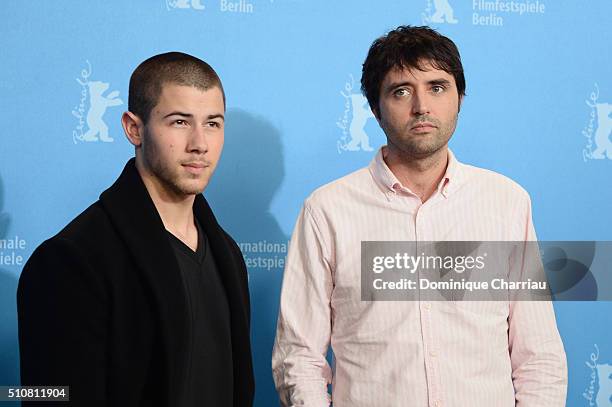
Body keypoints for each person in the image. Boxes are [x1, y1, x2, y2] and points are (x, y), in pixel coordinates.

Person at [272, 26, 567, 406]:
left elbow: (538, 353)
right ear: (375, 108)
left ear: (460, 98)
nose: (422, 106)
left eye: (437, 87)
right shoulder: (326, 210)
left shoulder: (506, 201)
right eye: (401, 91)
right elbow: (298, 355)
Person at [18, 52, 254, 406]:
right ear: (134, 128)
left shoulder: (228, 253)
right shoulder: (72, 259)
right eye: (179, 122)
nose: (199, 143)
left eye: (213, 123)